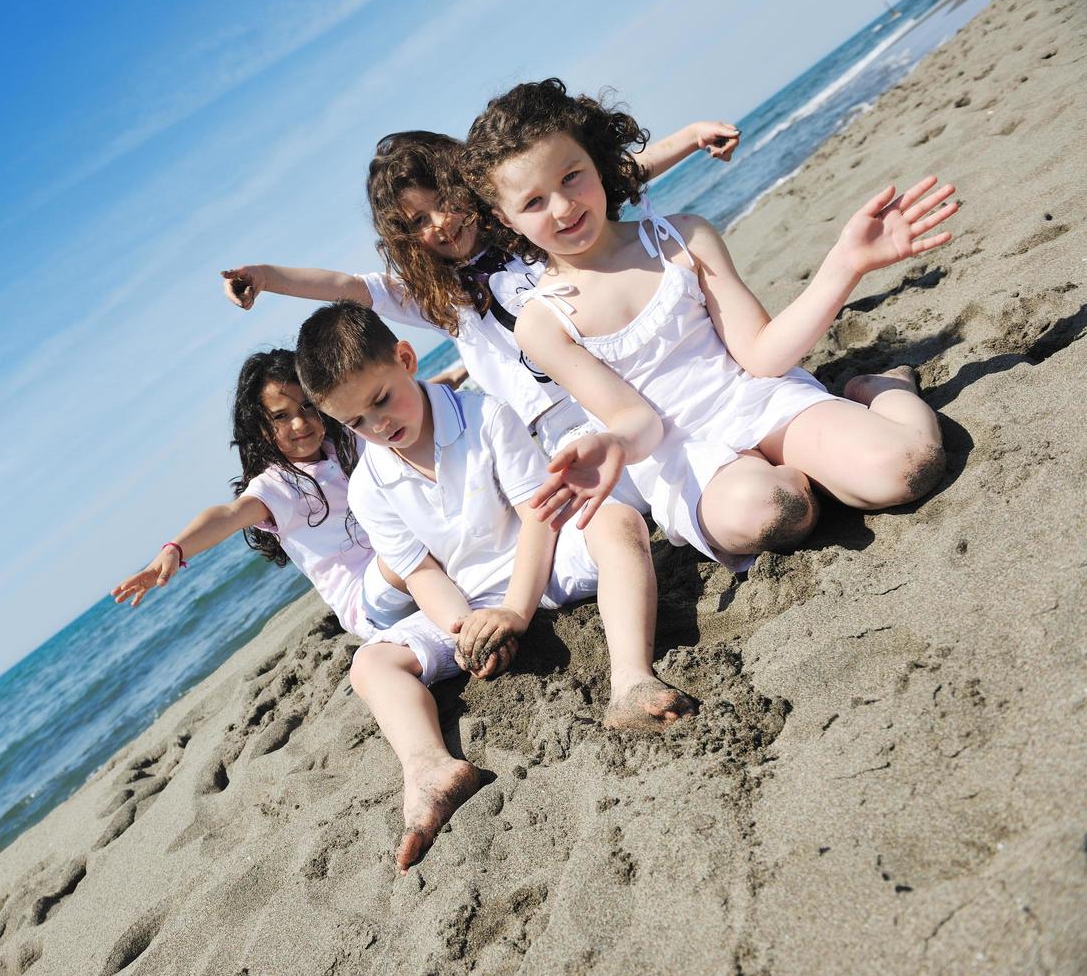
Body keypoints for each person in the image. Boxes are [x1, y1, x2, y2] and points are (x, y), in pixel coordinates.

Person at [460, 79, 953, 569]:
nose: (564, 207)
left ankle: (881, 388)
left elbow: (762, 355)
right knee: (777, 512)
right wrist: (612, 442)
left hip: (759, 399)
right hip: (683, 453)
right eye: (533, 202)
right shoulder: (543, 324)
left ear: (598, 161)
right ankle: (803, 471)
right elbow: (640, 423)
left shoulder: (682, 237)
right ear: (506, 221)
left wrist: (845, 265)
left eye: (571, 176)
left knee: (910, 468)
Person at [295, 300, 697, 874]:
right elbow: (421, 572)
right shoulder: (369, 484)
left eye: (381, 400)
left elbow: (539, 514)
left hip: (542, 559)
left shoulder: (484, 417)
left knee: (617, 523)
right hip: (468, 597)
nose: (378, 426)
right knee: (370, 664)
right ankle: (429, 768)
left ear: (405, 359)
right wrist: (466, 630)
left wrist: (515, 609)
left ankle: (631, 679)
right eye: (356, 422)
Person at [221, 120, 739, 476]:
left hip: (625, 385)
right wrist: (266, 276)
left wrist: (692, 138)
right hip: (555, 427)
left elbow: (612, 178)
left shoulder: (529, 232)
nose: (440, 223)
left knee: (703, 450)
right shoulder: (432, 294)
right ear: (404, 238)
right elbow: (345, 287)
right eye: (418, 222)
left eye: (444, 202)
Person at [111, 349, 413, 640]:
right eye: (281, 416)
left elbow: (402, 424)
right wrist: (175, 549)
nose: (299, 422)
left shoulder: (346, 440)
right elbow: (229, 515)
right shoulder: (276, 486)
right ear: (262, 428)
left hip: (405, 565)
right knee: (412, 540)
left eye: (307, 406)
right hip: (369, 599)